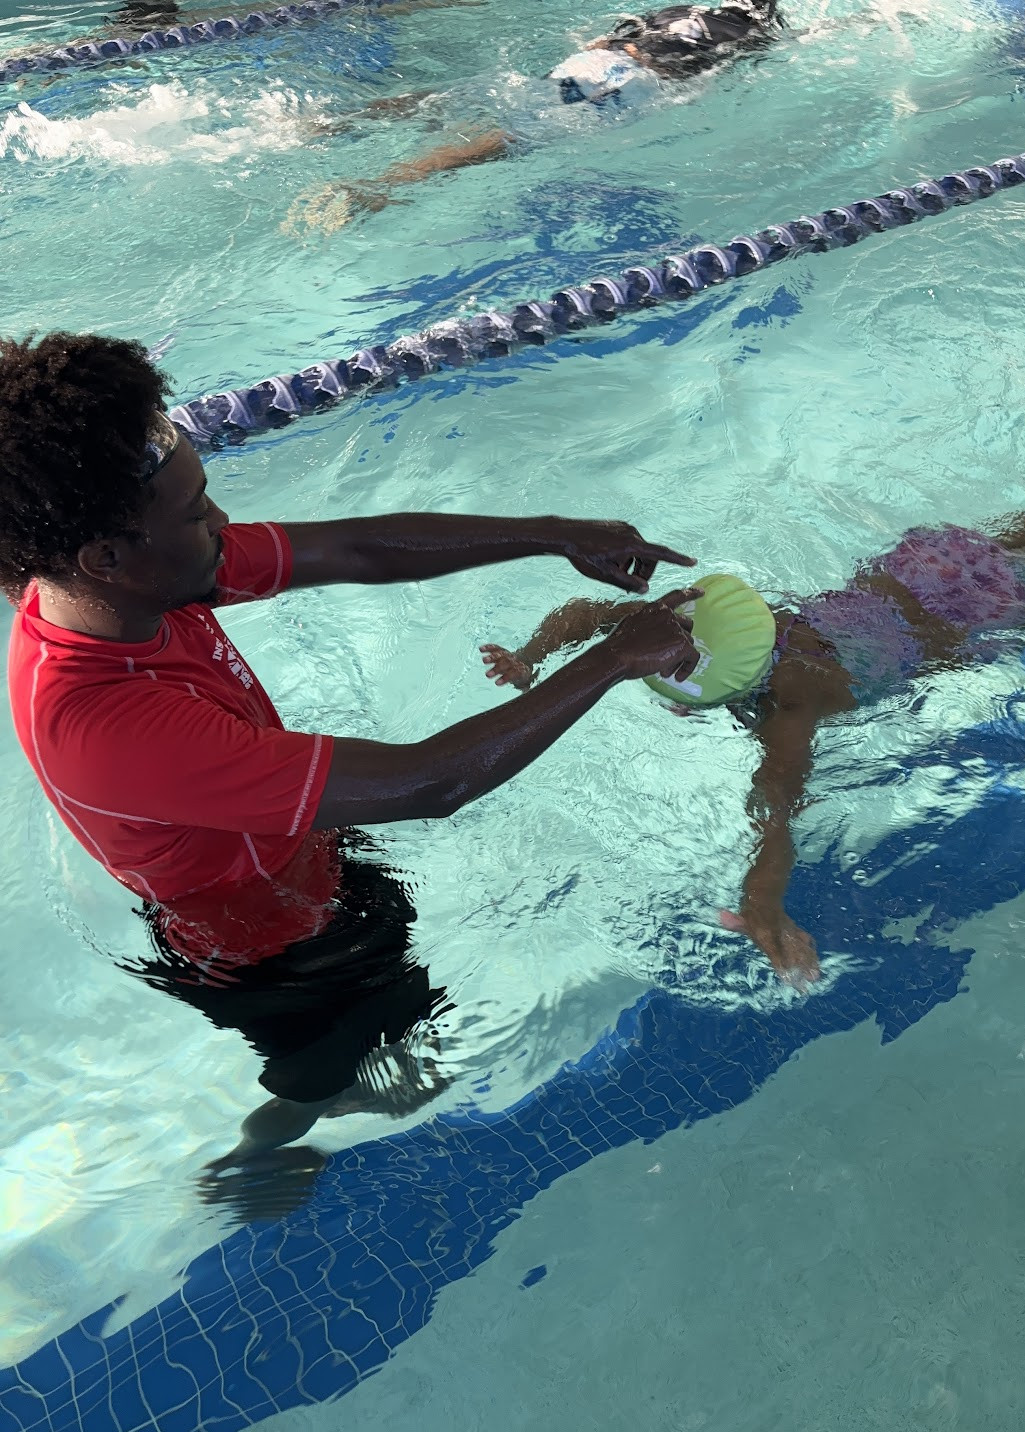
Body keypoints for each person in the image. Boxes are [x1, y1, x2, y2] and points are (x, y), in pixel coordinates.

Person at [0, 330, 699, 1164]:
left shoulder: (137, 584)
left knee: (404, 1005)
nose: (224, 524)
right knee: (333, 1064)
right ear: (105, 555)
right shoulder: (105, 724)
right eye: (198, 513)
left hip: (289, 854)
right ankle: (270, 1143)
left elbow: (356, 548)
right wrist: (616, 658)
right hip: (273, 957)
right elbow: (430, 782)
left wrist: (555, 533)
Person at [481, 463, 1025, 983]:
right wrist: (528, 657)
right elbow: (583, 616)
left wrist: (761, 899)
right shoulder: (700, 619)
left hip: (983, 609)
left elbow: (779, 801)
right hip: (925, 565)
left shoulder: (794, 698)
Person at [288, 0, 798, 231]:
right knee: (510, 139)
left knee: (473, 95)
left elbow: (610, 34)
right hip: (632, 85)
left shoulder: (673, 11)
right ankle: (382, 186)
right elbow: (708, 78)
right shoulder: (754, 36)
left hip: (604, 60)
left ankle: (342, 120)